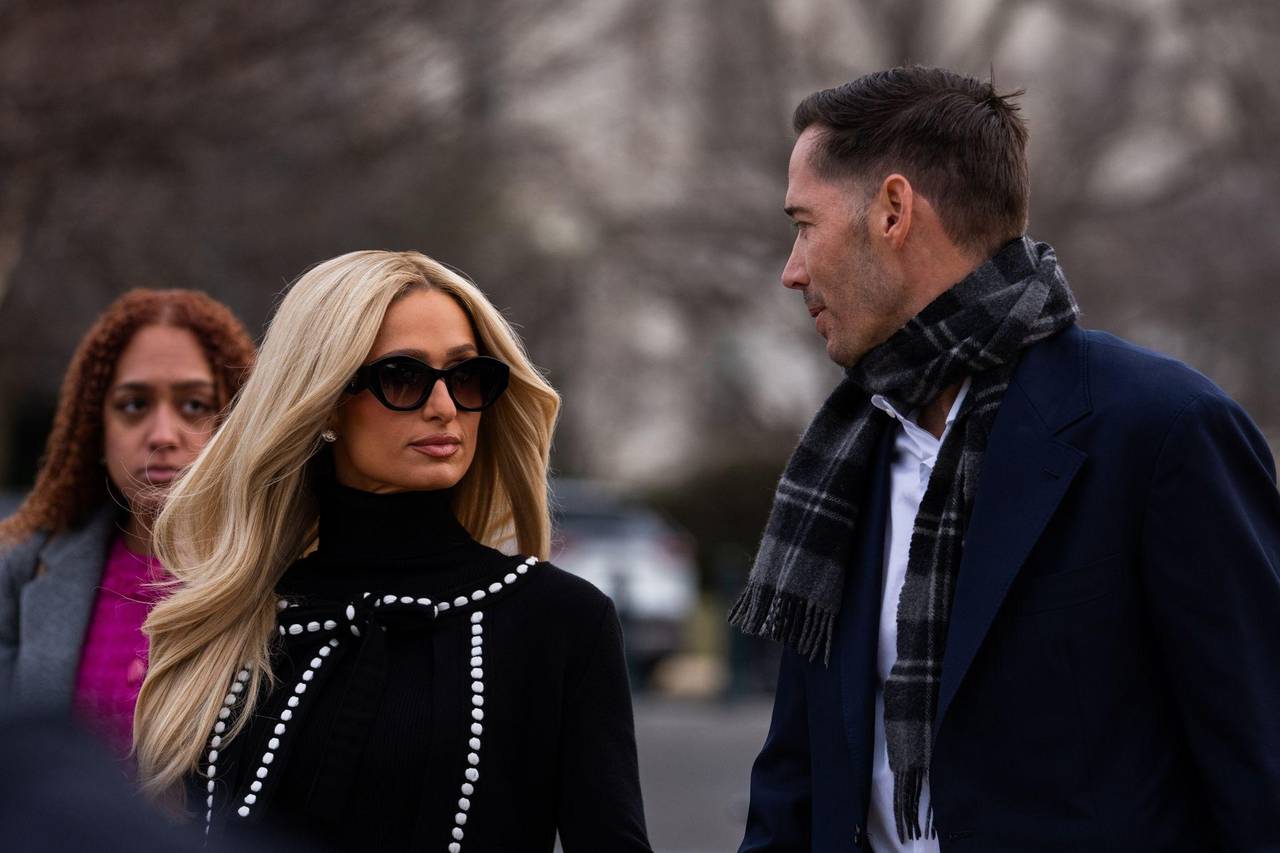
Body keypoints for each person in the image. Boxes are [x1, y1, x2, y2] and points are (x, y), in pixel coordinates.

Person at [733, 66, 1280, 852]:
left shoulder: (1164, 432)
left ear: (893, 211)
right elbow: (795, 785)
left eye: (803, 224)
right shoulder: (839, 461)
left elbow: (1259, 773)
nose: (792, 270)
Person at [133, 250, 652, 852]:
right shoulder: (233, 619)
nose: (445, 408)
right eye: (403, 376)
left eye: (467, 376)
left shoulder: (561, 620)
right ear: (326, 399)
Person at [0, 290, 256, 755]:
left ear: (235, 423)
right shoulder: (22, 568)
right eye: (134, 405)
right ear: (95, 430)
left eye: (194, 405)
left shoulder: (278, 572)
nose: (162, 435)